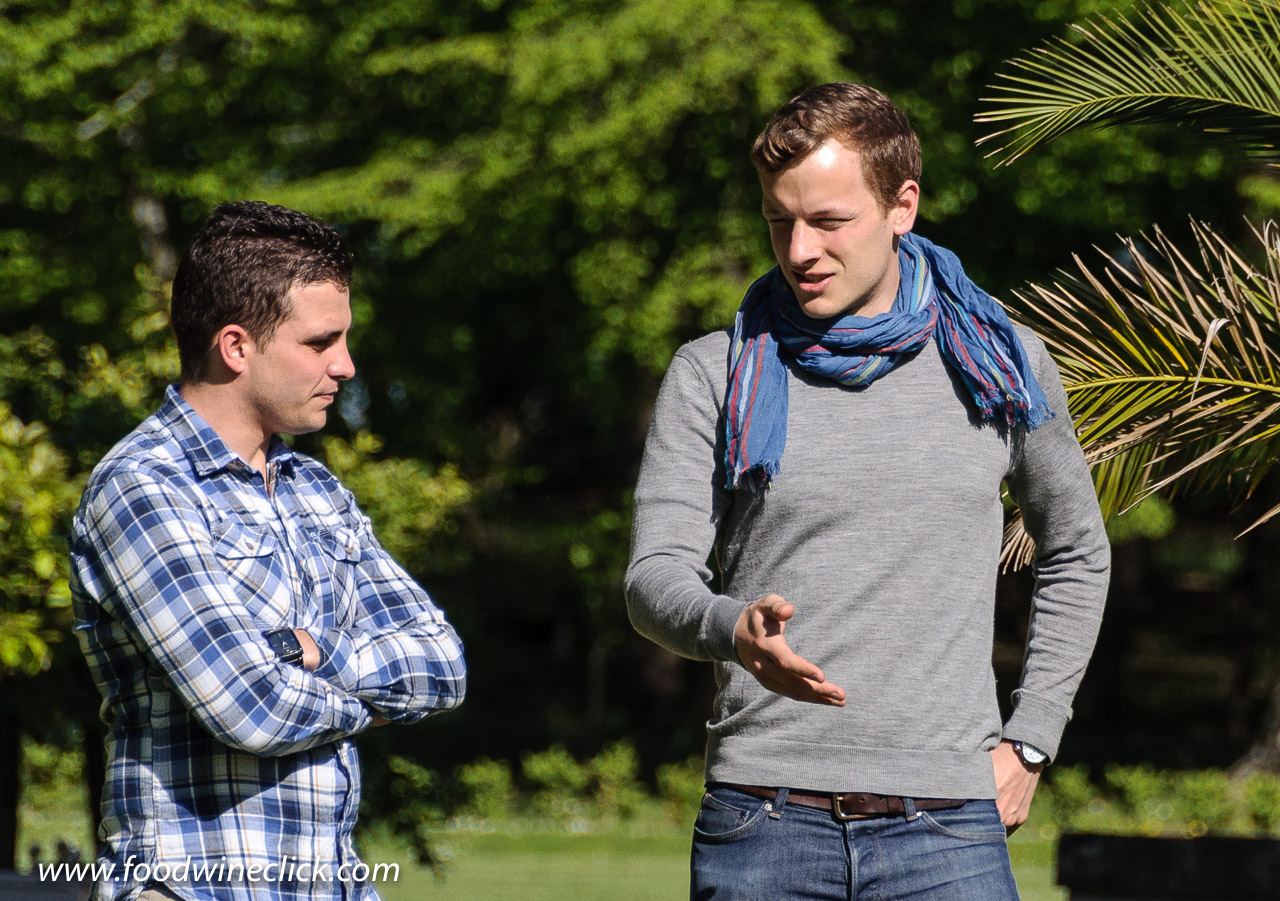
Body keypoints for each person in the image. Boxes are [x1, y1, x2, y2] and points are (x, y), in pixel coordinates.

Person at [625, 82, 1109, 899]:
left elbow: (1076, 550)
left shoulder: (1001, 363)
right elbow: (653, 577)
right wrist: (731, 627)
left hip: (950, 830)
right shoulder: (715, 371)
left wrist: (1030, 739)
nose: (799, 250)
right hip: (762, 823)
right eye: (779, 221)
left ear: (902, 206)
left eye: (828, 221)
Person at [70, 201, 467, 901]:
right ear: (236, 346)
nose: (346, 365)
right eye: (321, 342)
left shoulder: (317, 490)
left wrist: (313, 653)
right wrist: (375, 704)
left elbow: (444, 662)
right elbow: (251, 706)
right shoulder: (141, 487)